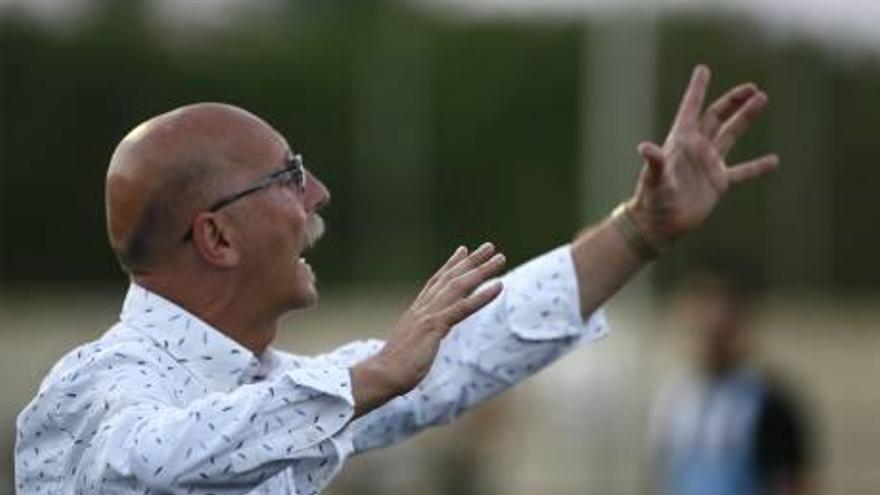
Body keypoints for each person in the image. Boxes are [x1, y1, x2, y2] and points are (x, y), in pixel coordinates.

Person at [15, 65, 778, 494]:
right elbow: (143, 459)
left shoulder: (271, 387)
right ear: (216, 235)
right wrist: (369, 376)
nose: (318, 197)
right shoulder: (100, 385)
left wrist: (639, 231)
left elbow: (462, 358)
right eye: (289, 176)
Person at [649, 255, 814, 495]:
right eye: (703, 301)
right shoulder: (671, 398)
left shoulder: (770, 403)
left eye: (725, 302)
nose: (714, 319)